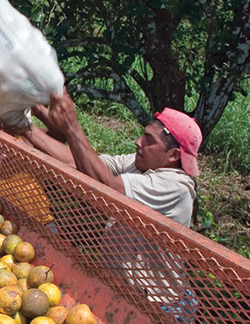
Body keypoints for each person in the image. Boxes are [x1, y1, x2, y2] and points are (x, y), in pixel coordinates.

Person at [12, 87, 201, 228]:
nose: (137, 142)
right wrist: (27, 126)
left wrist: (71, 126)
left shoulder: (174, 187)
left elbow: (107, 186)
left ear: (173, 155)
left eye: (149, 140)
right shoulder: (138, 163)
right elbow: (77, 163)